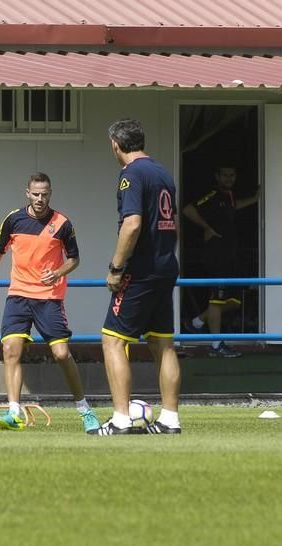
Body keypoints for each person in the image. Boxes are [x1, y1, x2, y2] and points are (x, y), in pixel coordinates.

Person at [0, 172, 100, 433]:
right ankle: (14, 412)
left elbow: (74, 259)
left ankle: (84, 409)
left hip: (49, 299)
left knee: (61, 354)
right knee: (11, 349)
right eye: (36, 194)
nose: (40, 199)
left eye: (45, 194)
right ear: (27, 193)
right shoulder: (13, 219)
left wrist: (58, 273)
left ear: (50, 194)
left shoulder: (63, 223)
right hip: (19, 295)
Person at [98, 118, 182, 436]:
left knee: (113, 340)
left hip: (142, 270)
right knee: (163, 343)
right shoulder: (162, 172)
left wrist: (116, 268)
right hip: (165, 266)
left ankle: (121, 419)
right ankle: (170, 419)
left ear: (115, 145)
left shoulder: (131, 174)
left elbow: (132, 224)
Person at [182, 165, 259, 358]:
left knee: (234, 301)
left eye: (232, 175)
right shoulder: (213, 194)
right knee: (216, 300)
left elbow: (234, 206)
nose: (228, 178)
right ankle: (216, 346)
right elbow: (188, 209)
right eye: (224, 175)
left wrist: (255, 199)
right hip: (216, 255)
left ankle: (197, 322)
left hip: (230, 256)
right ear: (217, 176)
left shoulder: (229, 197)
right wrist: (207, 227)